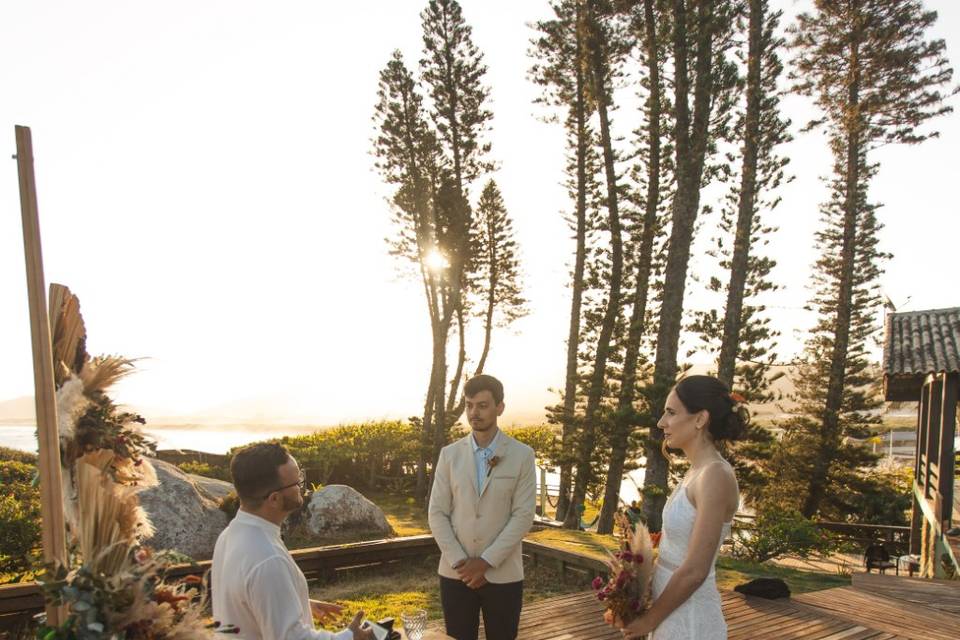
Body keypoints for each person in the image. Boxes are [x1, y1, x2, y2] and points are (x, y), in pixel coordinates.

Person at [619, 375, 743, 640]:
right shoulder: (696, 471)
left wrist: (649, 620)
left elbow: (696, 570)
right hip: (670, 610)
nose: (661, 422)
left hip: (690, 619)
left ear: (700, 419)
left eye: (671, 413)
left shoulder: (715, 475)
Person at [211, 442, 374, 640]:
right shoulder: (268, 558)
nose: (301, 487)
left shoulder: (230, 536)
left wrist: (297, 602)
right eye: (297, 483)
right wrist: (349, 637)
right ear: (274, 499)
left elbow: (244, 600)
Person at [428, 374, 537, 640]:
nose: (474, 412)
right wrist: (461, 563)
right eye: (469, 405)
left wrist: (486, 562)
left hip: (503, 574)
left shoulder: (522, 455)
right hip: (456, 574)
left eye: (483, 405)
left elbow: (523, 516)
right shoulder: (449, 455)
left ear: (500, 407)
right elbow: (437, 513)